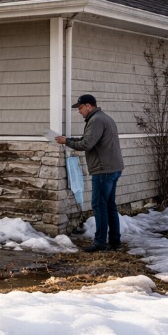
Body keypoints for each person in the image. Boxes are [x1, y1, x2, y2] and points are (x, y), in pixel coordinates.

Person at [55, 94, 124, 251]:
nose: (79, 111)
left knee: (99, 205)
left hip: (103, 170)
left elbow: (86, 144)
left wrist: (66, 141)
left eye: (80, 108)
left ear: (88, 106)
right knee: (109, 205)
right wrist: (70, 139)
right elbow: (89, 139)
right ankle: (114, 241)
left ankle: (100, 243)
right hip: (113, 168)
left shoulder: (96, 120)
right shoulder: (104, 118)